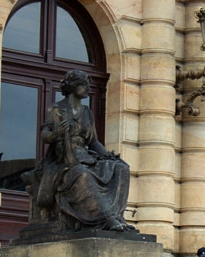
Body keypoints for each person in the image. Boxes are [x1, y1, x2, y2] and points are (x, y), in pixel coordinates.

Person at [23, 69, 133, 232]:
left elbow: (94, 142)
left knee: (121, 168)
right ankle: (106, 218)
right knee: (82, 174)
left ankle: (117, 216)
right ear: (73, 87)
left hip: (85, 156)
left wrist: (110, 156)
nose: (88, 88)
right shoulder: (56, 109)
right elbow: (44, 136)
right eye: (84, 85)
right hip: (63, 161)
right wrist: (56, 133)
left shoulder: (87, 113)